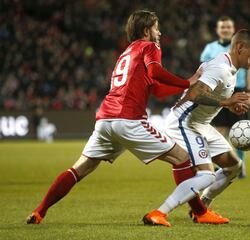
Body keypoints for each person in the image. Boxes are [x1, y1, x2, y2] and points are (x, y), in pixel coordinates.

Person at [26, 10, 203, 225]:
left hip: (105, 120)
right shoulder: (150, 46)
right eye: (156, 27)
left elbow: (154, 88)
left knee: (79, 168)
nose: (159, 32)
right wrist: (188, 82)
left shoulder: (127, 52)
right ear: (146, 31)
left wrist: (183, 91)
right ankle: (201, 213)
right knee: (182, 158)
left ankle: (39, 211)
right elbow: (156, 73)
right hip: (128, 119)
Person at [143, 29, 250, 226]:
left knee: (233, 166)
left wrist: (231, 104)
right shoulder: (220, 68)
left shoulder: (229, 67)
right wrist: (226, 101)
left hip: (201, 123)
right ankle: (158, 213)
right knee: (206, 176)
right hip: (185, 122)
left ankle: (202, 208)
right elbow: (195, 94)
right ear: (240, 47)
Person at [200, 16, 250, 178]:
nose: (225, 29)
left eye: (228, 27)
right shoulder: (209, 49)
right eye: (222, 27)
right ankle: (221, 165)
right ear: (218, 30)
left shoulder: (242, 47)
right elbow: (204, 70)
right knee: (219, 130)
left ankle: (240, 166)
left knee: (241, 130)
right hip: (219, 92)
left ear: (233, 29)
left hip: (239, 90)